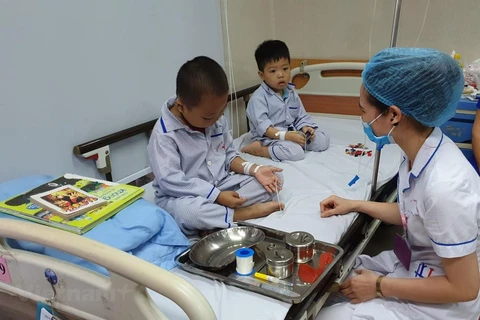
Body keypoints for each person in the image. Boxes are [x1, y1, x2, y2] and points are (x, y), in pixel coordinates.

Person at [317, 48, 480, 320]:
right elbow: (413, 213)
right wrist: (354, 204)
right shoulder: (419, 151)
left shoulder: (445, 187)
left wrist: (379, 287)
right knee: (341, 274)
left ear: (393, 115)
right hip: (420, 267)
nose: (362, 120)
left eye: (363, 111)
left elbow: (465, 288)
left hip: (443, 303)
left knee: (328, 316)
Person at [147, 56, 284, 236]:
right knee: (189, 213)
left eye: (222, 111)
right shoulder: (163, 135)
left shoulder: (216, 119)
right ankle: (241, 213)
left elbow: (230, 156)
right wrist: (217, 196)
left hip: (222, 183)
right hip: (183, 196)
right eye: (209, 116)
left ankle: (216, 218)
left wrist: (255, 169)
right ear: (181, 106)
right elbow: (170, 181)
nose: (218, 119)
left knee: (274, 179)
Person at [241, 40, 330, 161]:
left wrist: (305, 128)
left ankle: (296, 141)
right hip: (270, 138)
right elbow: (266, 129)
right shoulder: (258, 99)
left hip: (292, 132)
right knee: (296, 153)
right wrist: (286, 136)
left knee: (322, 141)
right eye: (273, 71)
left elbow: (300, 116)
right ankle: (259, 150)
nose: (280, 75)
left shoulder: (291, 92)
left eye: (285, 68)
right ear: (262, 75)